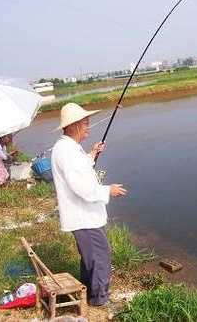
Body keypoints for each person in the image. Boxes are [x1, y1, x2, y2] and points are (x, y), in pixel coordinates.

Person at [51, 103, 127, 306]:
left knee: (90, 257)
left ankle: (87, 291)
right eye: (85, 123)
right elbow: (80, 186)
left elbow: (80, 169)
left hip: (84, 215)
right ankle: (100, 300)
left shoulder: (69, 148)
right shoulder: (65, 150)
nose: (88, 127)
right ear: (73, 125)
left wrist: (92, 154)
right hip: (83, 216)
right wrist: (107, 190)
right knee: (100, 257)